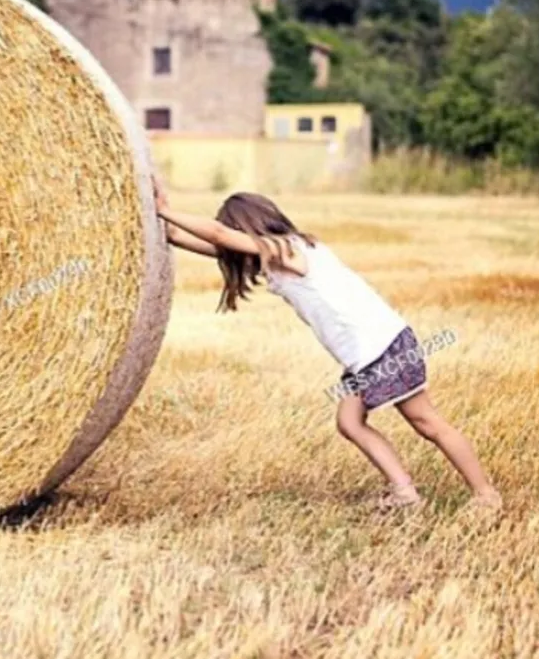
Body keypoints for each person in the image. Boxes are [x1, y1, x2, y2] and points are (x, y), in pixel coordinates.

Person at [153, 179, 501, 510]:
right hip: (364, 356)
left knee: (427, 423)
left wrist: (166, 212)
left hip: (382, 347)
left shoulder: (290, 249)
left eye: (235, 233)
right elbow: (215, 244)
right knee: (350, 422)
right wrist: (167, 226)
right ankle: (404, 492)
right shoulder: (281, 256)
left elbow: (217, 235)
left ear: (249, 228)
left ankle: (485, 494)